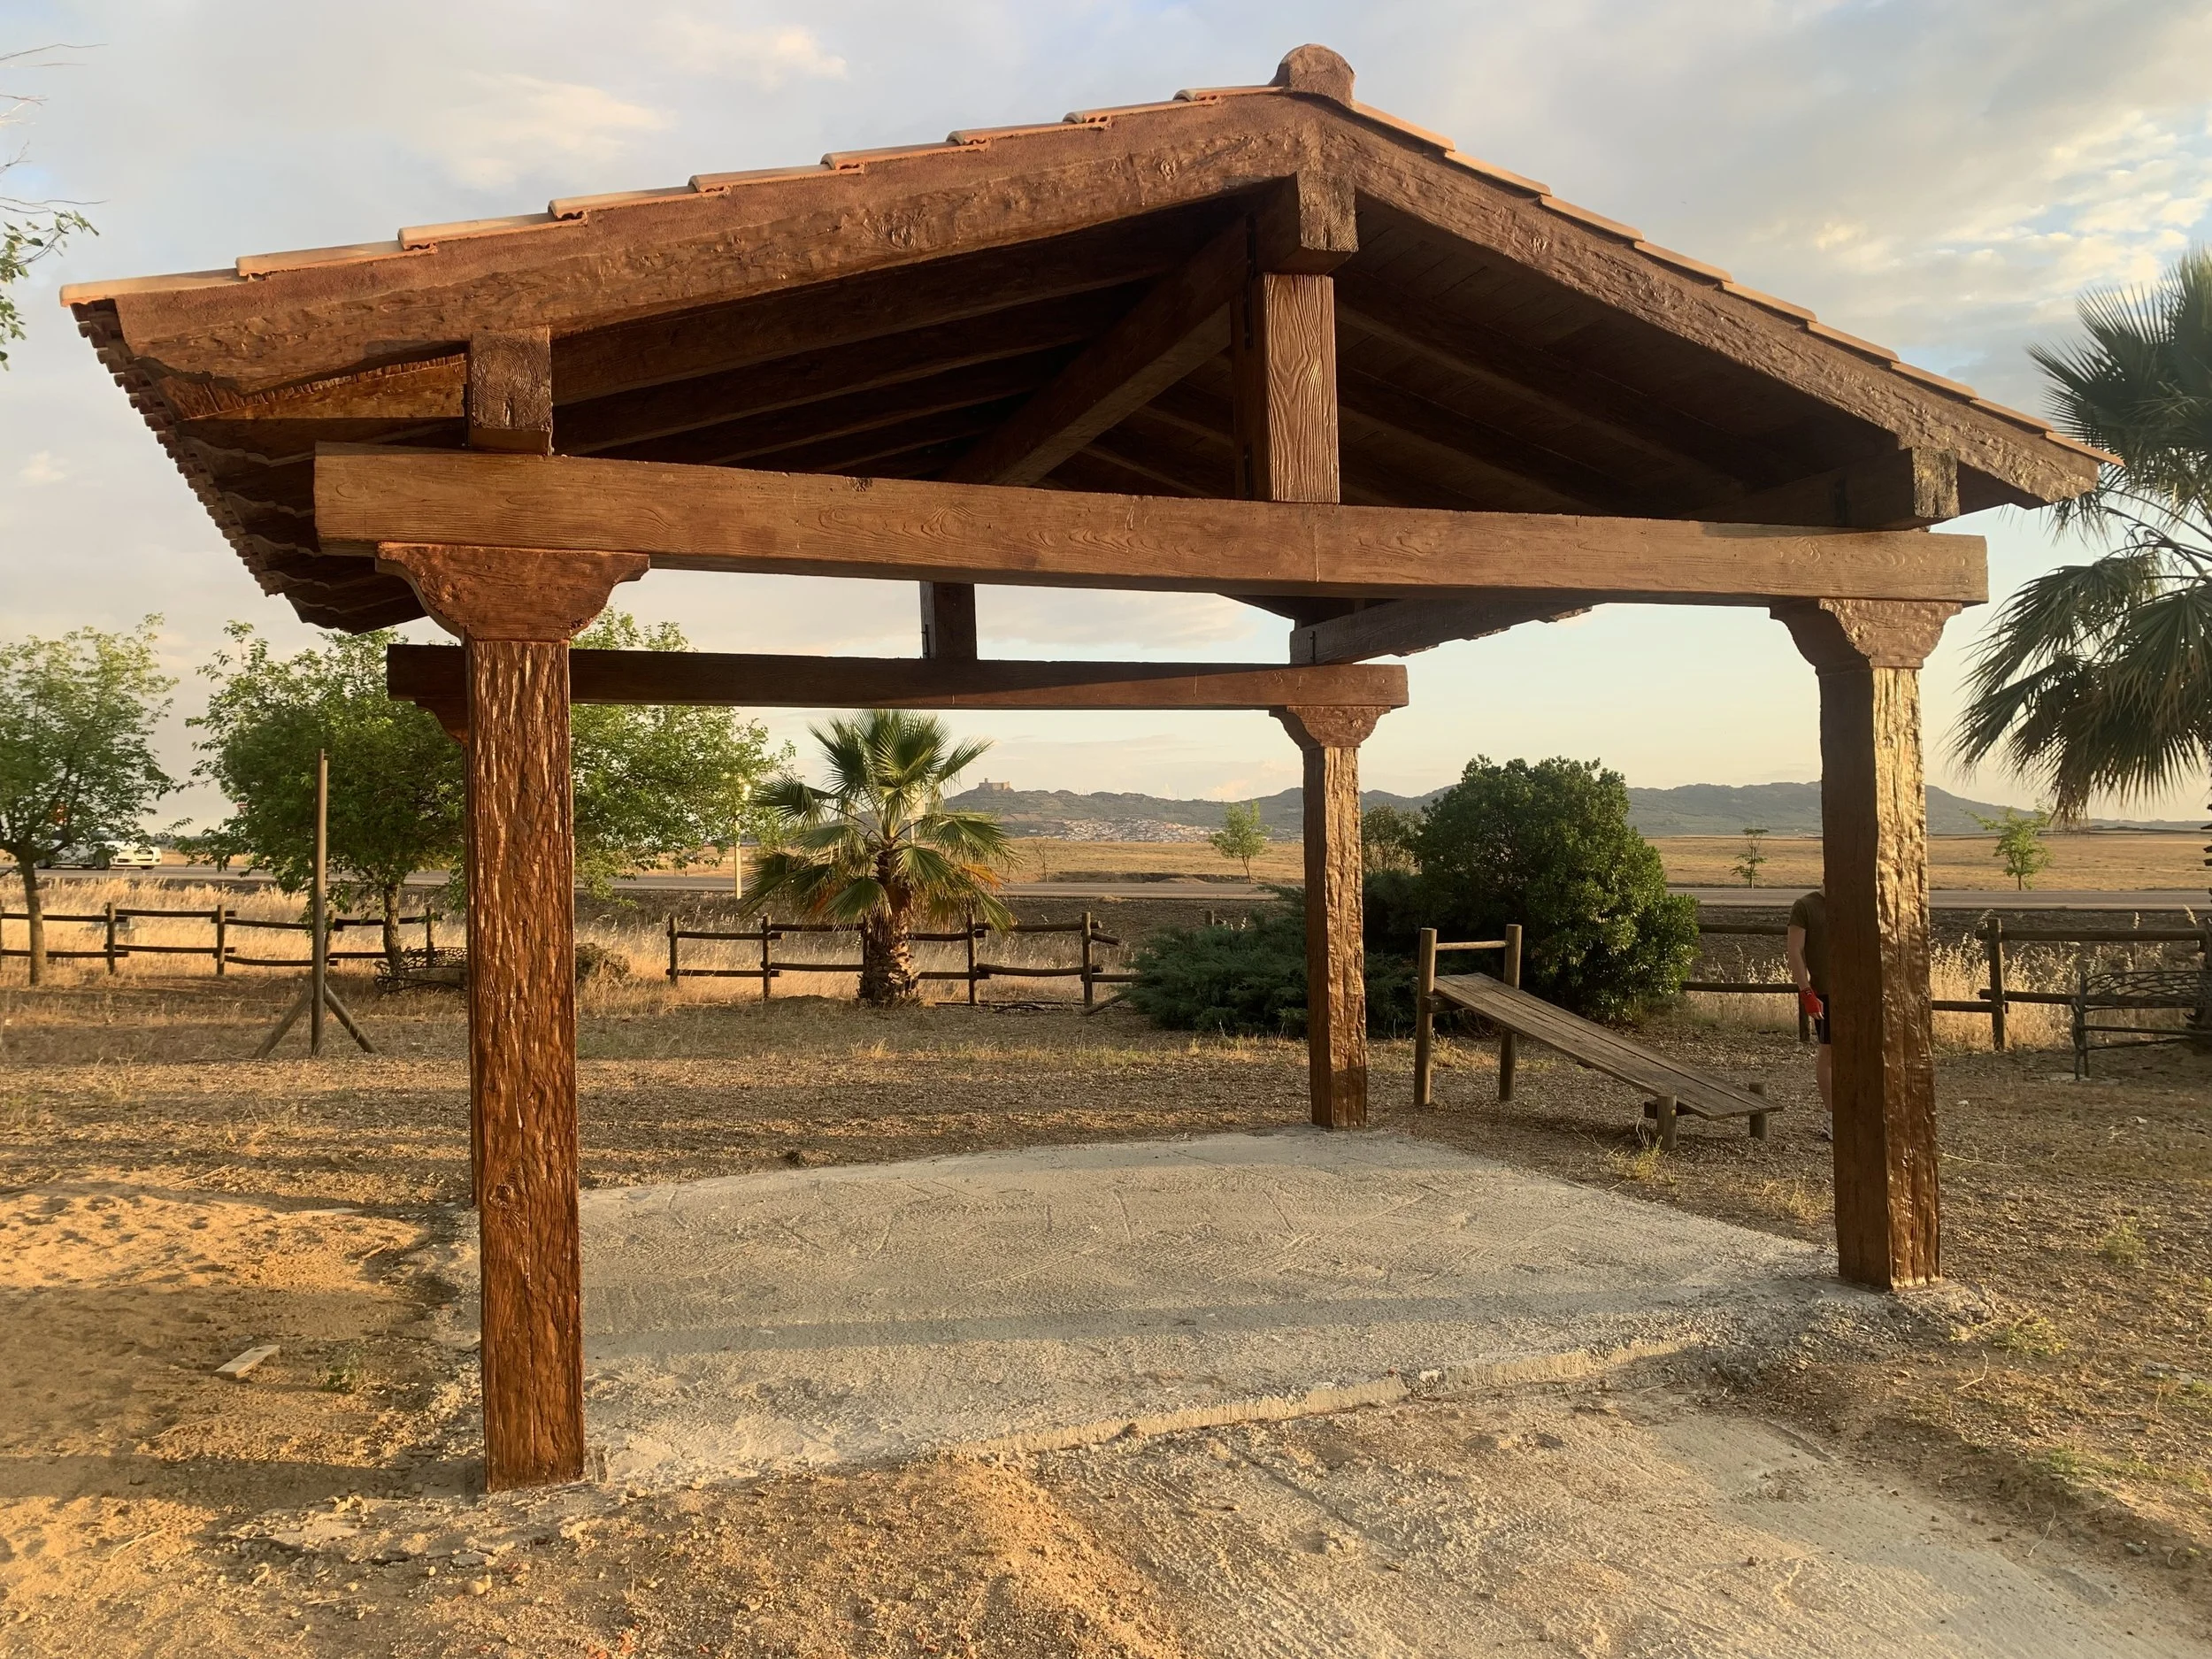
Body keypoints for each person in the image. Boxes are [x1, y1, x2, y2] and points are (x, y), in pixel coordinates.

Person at [1786, 887, 1832, 1138]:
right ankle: (1833, 1117)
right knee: (1830, 1051)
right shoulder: (1806, 906)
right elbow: (1795, 951)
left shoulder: (1857, 901)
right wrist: (1807, 993)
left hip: (1860, 991)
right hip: (1826, 992)